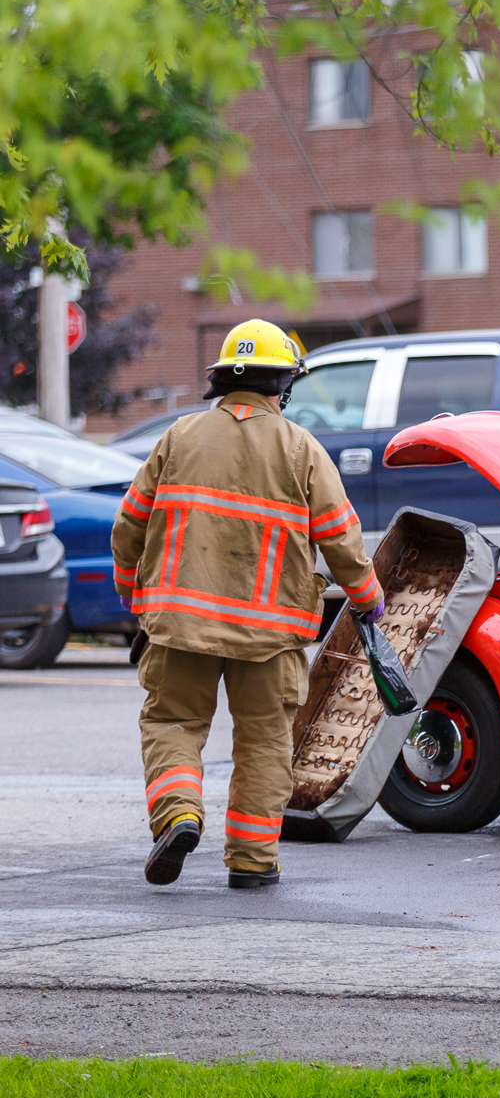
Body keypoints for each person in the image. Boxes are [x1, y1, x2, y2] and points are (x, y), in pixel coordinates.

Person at [114, 319, 385, 889]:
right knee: (264, 741)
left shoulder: (178, 437)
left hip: (180, 623)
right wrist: (370, 600)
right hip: (271, 636)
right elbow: (342, 539)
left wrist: (131, 592)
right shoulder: (301, 449)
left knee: (173, 721)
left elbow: (130, 523)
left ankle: (180, 813)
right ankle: (252, 861)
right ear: (280, 385)